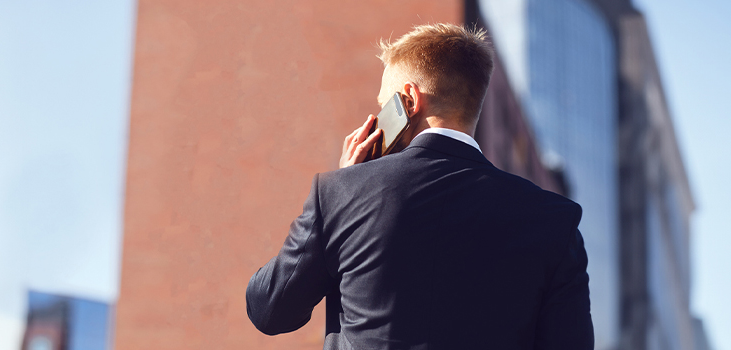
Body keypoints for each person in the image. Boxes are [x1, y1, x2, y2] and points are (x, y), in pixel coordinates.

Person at [245, 23, 593, 349]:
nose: (378, 118)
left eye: (384, 105)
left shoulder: (340, 194)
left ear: (408, 101)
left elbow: (270, 309)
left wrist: (348, 182)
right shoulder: (554, 221)